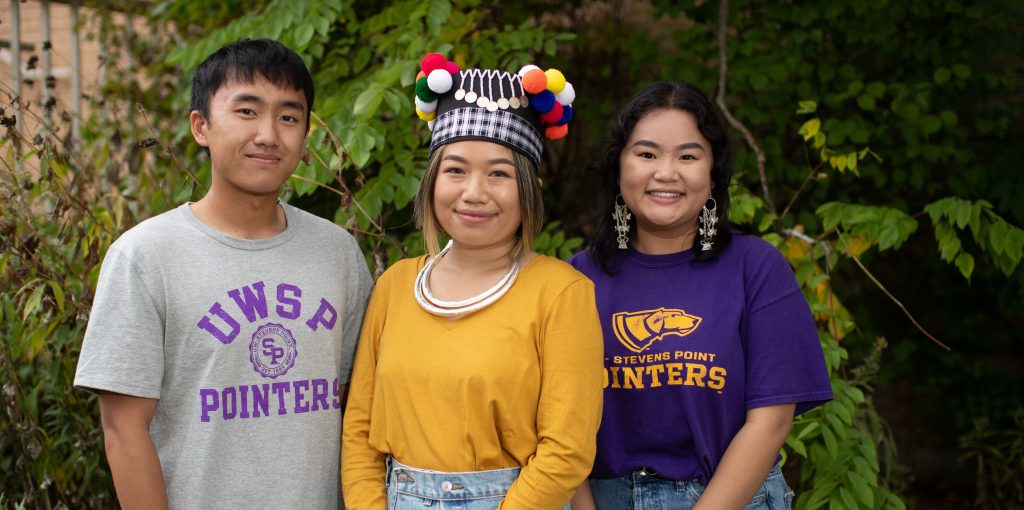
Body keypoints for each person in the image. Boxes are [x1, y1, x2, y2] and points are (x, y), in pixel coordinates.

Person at [74, 38, 373, 509]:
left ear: (306, 133)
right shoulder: (144, 257)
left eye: (289, 117)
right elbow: (123, 431)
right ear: (201, 126)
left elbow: (357, 409)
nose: (269, 135)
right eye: (247, 111)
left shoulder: (338, 253)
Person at [341, 54, 603, 509]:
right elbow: (359, 433)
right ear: (431, 182)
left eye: (499, 173)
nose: (474, 192)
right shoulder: (396, 286)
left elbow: (567, 449)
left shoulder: (561, 293)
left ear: (529, 189)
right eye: (456, 170)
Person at [567, 81, 833, 510]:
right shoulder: (577, 279)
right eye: (647, 154)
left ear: (713, 174)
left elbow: (771, 422)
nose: (666, 172)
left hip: (729, 498)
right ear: (619, 168)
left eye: (688, 156)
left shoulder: (757, 268)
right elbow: (556, 423)